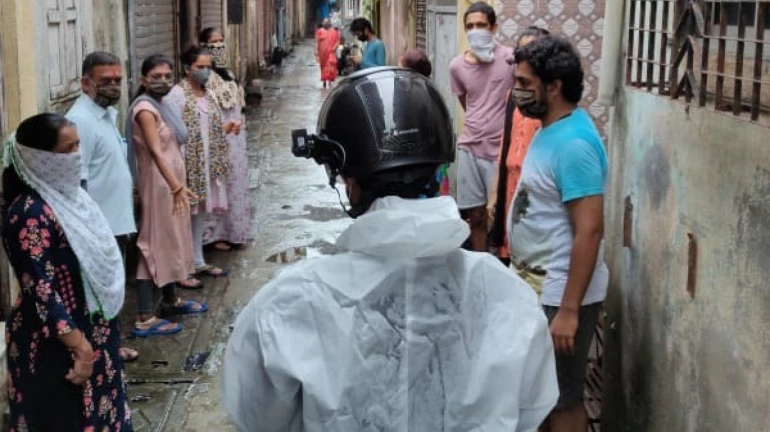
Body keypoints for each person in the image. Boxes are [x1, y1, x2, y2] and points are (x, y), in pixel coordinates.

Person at [222, 67, 558, 431]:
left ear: (347, 179)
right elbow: (531, 410)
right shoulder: (509, 297)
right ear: (439, 165)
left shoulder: (287, 304)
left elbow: (255, 416)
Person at [2, 113, 132, 431]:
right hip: (55, 343)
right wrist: (80, 347)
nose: (76, 157)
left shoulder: (71, 200)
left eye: (78, 146)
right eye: (66, 150)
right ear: (39, 157)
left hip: (92, 333)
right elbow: (41, 289)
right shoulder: (30, 213)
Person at [508, 36, 608, 432]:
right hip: (542, 287)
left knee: (564, 399)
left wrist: (568, 312)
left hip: (562, 295)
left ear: (554, 87)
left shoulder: (574, 145)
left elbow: (590, 230)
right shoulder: (551, 129)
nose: (517, 91)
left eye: (525, 83)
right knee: (543, 397)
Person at [65, 52, 146, 362]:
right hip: (99, 226)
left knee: (112, 291)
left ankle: (111, 342)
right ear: (86, 83)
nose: (114, 87)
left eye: (117, 80)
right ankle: (100, 348)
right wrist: (86, 228)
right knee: (98, 293)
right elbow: (78, 179)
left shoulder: (105, 114)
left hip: (116, 219)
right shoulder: (81, 121)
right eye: (105, 82)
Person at [125, 54, 208, 338]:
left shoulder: (160, 106)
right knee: (153, 243)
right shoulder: (145, 109)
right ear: (143, 79)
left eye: (167, 76)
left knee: (171, 240)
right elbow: (155, 151)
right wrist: (175, 186)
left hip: (172, 184)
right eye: (156, 76)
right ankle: (145, 317)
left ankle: (171, 301)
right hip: (160, 187)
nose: (162, 81)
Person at [449, 1, 515, 252]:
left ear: (494, 27)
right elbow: (466, 101)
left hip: (500, 152)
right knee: (474, 216)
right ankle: (479, 265)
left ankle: (503, 265)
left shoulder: (510, 59)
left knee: (502, 216)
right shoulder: (457, 66)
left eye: (481, 25)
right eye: (470, 26)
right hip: (470, 148)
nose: (475, 30)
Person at [165, 45, 236, 278]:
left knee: (199, 213)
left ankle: (197, 260)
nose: (205, 71)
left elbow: (210, 127)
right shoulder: (176, 95)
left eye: (208, 67)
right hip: (187, 163)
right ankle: (183, 265)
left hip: (207, 163)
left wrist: (226, 128)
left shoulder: (209, 94)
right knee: (185, 214)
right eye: (200, 67)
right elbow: (171, 132)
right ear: (187, 69)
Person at [488, 26, 550, 267]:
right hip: (511, 185)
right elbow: (504, 144)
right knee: (509, 251)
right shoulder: (514, 97)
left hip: (534, 188)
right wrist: (494, 193)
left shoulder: (549, 103)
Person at [200, 28, 252, 250]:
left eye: (221, 41)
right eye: (213, 42)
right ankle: (216, 234)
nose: (219, 46)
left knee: (236, 183)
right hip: (219, 134)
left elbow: (238, 104)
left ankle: (234, 231)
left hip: (236, 137)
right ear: (204, 46)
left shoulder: (226, 72)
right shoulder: (203, 75)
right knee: (219, 184)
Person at [315, 19, 340, 88]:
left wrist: (334, 47)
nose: (325, 23)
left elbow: (337, 41)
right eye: (324, 22)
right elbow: (317, 42)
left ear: (330, 23)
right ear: (322, 23)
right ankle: (324, 81)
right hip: (322, 53)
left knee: (330, 66)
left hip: (331, 52)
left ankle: (329, 81)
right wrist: (316, 52)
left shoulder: (334, 32)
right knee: (323, 68)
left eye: (327, 22)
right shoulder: (319, 31)